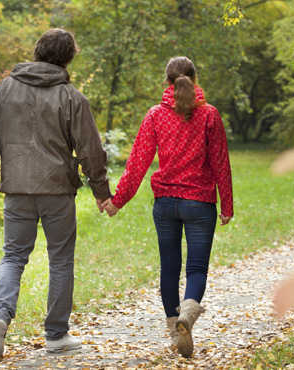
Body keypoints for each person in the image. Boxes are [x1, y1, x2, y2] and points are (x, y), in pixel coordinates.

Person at [0, 28, 111, 358]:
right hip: (57, 191)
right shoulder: (72, 98)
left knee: (13, 255)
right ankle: (56, 335)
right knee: (60, 260)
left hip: (17, 189)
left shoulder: (7, 89)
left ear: (37, 51)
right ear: (68, 58)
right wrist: (101, 190)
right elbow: (90, 149)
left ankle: (0, 316)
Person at [101, 56, 234, 358]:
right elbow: (220, 163)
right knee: (197, 268)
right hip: (199, 203)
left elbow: (137, 163)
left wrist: (117, 200)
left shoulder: (155, 116)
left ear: (167, 82)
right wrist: (226, 204)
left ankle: (175, 328)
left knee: (170, 267)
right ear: (194, 79)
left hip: (166, 204)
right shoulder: (210, 115)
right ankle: (189, 311)